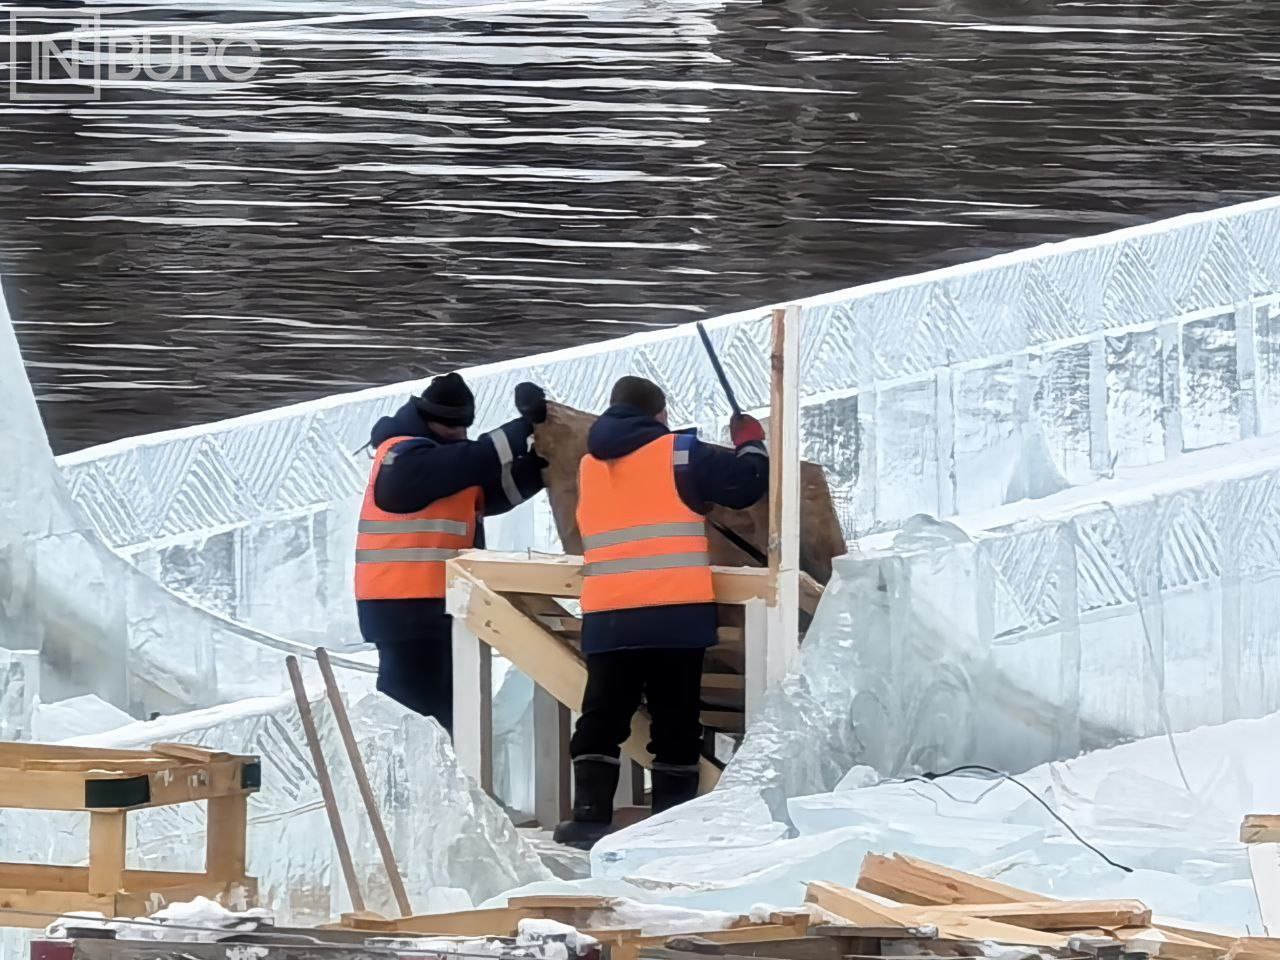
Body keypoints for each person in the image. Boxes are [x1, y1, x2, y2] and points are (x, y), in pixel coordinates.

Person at [553, 375, 768, 849]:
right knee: (676, 724)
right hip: (675, 613)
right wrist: (751, 443)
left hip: (610, 615)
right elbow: (745, 484)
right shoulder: (680, 452)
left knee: (602, 718)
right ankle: (672, 824)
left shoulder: (590, 464)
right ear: (660, 415)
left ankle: (588, 820)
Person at [354, 372, 548, 733]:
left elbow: (495, 490)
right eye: (454, 427)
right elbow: (473, 459)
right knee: (413, 722)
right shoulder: (402, 457)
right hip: (406, 610)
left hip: (439, 608)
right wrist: (524, 426)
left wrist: (540, 465)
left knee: (447, 716)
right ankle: (413, 787)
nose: (461, 434)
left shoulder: (443, 464)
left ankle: (453, 782)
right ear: (431, 421)